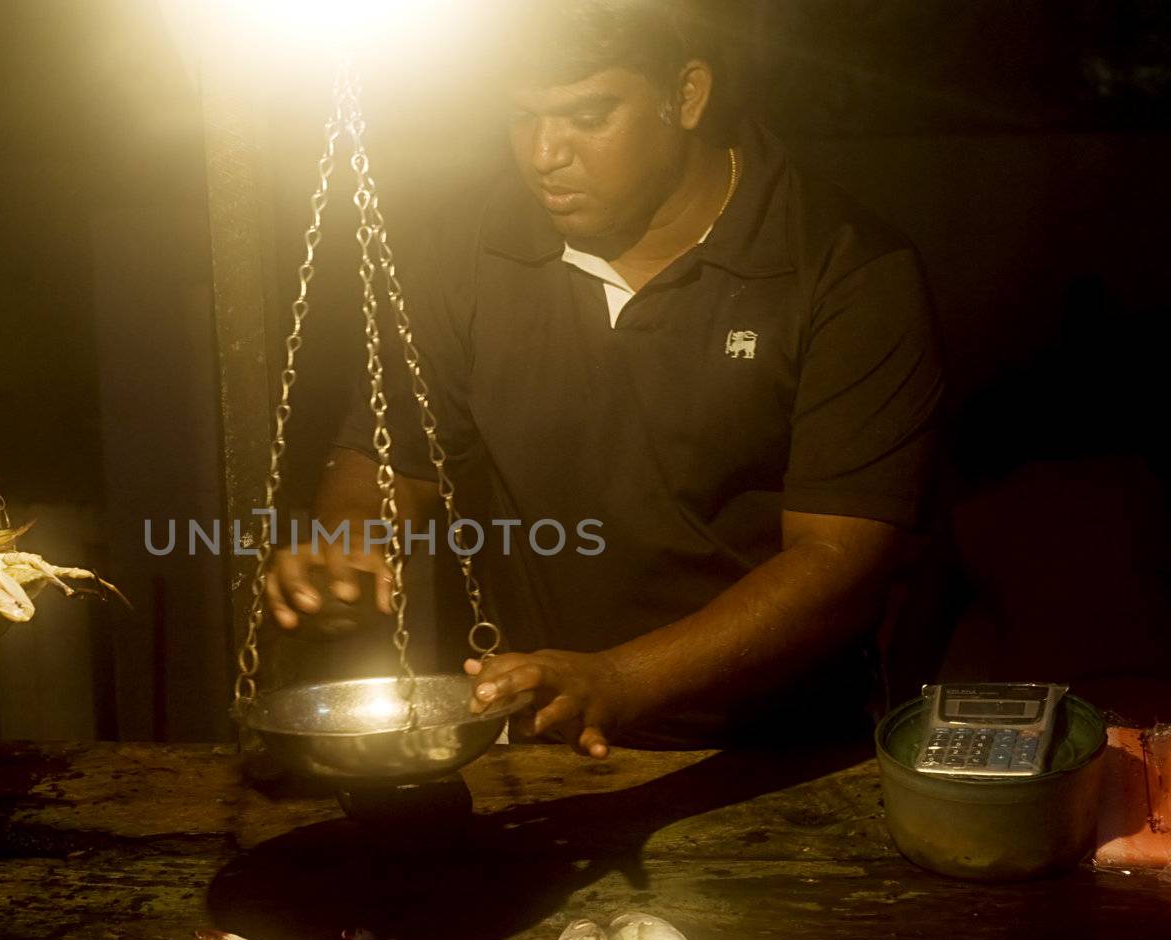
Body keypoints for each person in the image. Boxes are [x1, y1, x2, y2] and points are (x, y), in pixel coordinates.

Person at [265, 0, 944, 755]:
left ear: (684, 96)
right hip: (532, 735)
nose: (544, 153)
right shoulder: (467, 249)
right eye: (524, 116)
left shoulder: (842, 269)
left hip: (777, 754)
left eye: (588, 115)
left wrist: (622, 679)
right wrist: (351, 545)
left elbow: (838, 561)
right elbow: (390, 455)